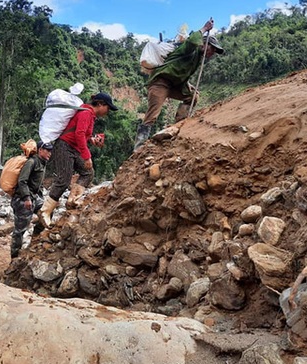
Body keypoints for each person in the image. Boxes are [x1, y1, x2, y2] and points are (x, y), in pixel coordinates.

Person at [134, 19, 224, 150]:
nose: (212, 53)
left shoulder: (197, 58)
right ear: (204, 44)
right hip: (161, 82)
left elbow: (180, 70)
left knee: (193, 96)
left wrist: (187, 84)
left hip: (175, 84)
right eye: (211, 48)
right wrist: (205, 28)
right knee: (152, 114)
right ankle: (139, 147)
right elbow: (192, 41)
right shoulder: (189, 49)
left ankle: (178, 127)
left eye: (214, 51)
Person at [40, 92, 118, 227]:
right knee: (64, 179)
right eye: (108, 107)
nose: (108, 111)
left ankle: (73, 199)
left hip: (73, 149)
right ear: (100, 104)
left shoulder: (90, 115)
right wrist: (87, 156)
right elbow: (79, 134)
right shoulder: (86, 113)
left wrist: (92, 139)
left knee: (88, 172)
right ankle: (45, 211)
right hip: (64, 146)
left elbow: (82, 133)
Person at [10, 141, 53, 258]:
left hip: (34, 197)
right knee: (20, 230)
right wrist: (27, 198)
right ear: (40, 150)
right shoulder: (31, 162)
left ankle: (35, 237)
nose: (50, 153)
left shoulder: (42, 163)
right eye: (47, 150)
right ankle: (14, 257)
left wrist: (41, 198)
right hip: (22, 199)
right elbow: (22, 181)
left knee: (47, 211)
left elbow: (37, 185)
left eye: (51, 151)